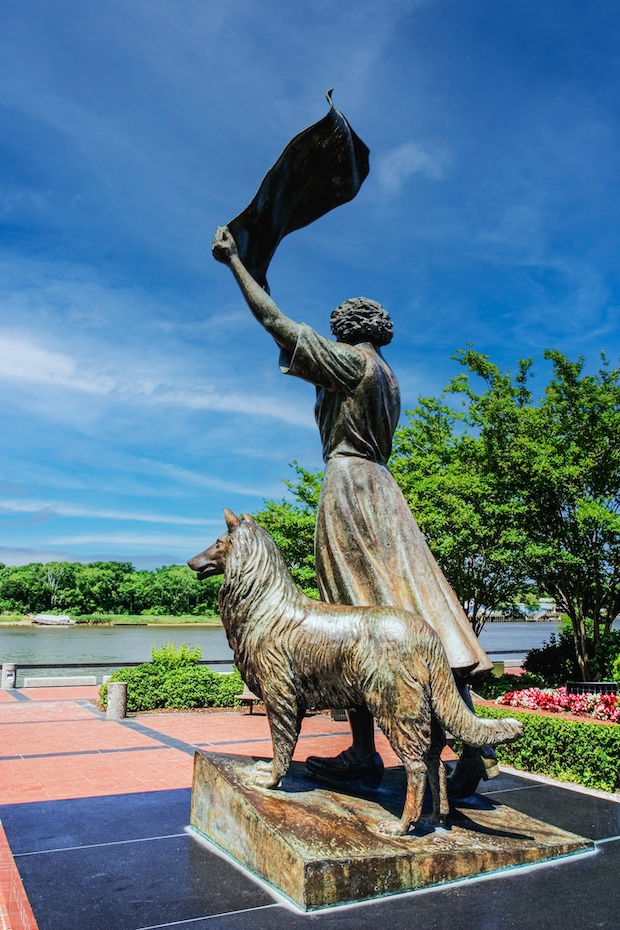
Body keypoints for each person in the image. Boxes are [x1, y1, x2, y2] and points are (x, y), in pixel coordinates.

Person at [212, 225, 495, 793]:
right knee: (402, 606)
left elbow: (279, 326)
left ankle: (424, 747)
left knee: (358, 611)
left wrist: (234, 265)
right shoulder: (388, 375)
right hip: (381, 490)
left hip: (351, 492)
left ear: (348, 329)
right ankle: (404, 748)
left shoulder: (352, 364)